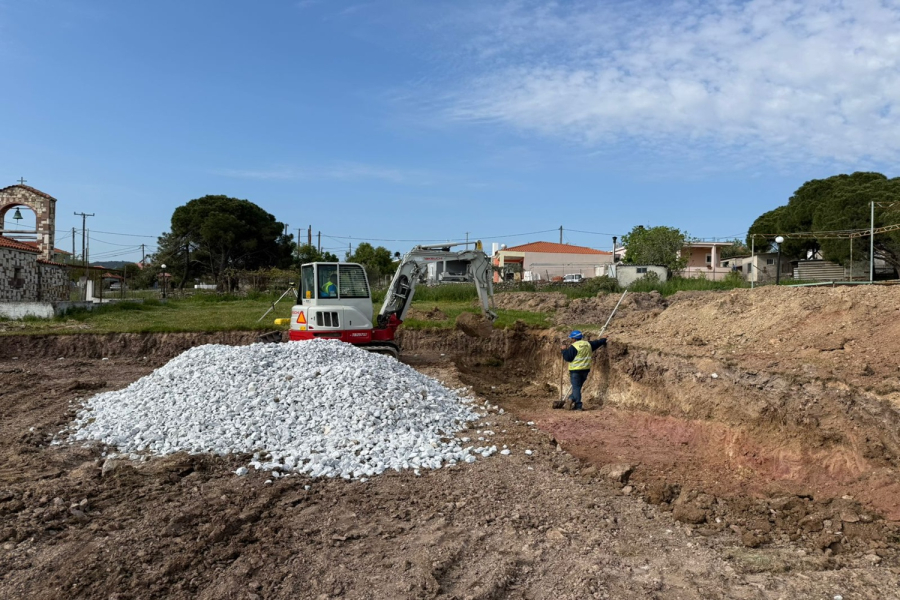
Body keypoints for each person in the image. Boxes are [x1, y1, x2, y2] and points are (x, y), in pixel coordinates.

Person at [560, 330, 607, 411]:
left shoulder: (574, 347)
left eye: (572, 338)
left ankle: (578, 406)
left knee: (576, 388)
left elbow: (568, 358)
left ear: (574, 339)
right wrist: (604, 339)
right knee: (577, 387)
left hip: (575, 370)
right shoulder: (588, 344)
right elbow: (598, 343)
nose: (571, 339)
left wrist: (563, 350)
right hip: (585, 370)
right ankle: (571, 398)